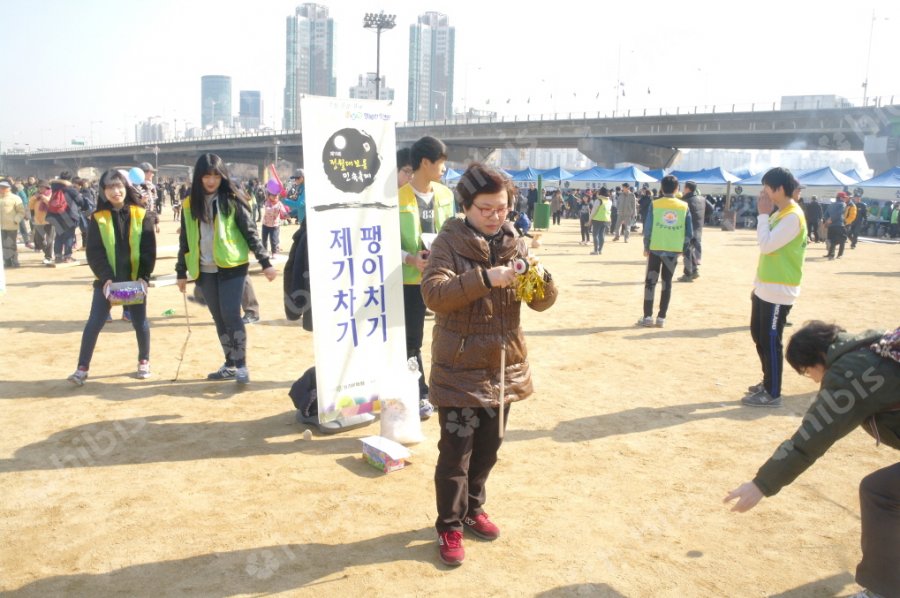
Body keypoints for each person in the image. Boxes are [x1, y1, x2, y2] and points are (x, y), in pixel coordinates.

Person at [422, 163, 558, 567]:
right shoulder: (448, 242)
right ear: (466, 205)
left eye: (502, 208)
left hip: (503, 366)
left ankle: (473, 508)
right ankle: (448, 524)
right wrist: (487, 278)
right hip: (459, 367)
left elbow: (542, 302)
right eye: (486, 208)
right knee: (455, 453)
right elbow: (434, 293)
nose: (496, 215)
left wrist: (538, 276)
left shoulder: (516, 241)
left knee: (489, 448)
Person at [725, 321, 900, 598]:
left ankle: (884, 591)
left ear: (818, 358)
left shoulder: (851, 373)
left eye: (808, 373)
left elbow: (810, 437)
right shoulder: (873, 344)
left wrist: (761, 484)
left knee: (878, 490)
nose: (816, 381)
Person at [175, 154, 277, 385]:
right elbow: (186, 241)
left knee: (231, 315)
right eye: (206, 175)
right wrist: (181, 272)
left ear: (222, 176)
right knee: (219, 318)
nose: (211, 180)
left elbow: (250, 232)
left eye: (216, 175)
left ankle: (241, 365)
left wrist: (265, 263)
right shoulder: (189, 204)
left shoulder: (231, 200)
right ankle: (229, 363)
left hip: (232, 266)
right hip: (204, 269)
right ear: (199, 177)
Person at [67, 169, 156, 385]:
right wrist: (105, 277)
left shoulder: (141, 214)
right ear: (103, 191)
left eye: (119, 186)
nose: (115, 191)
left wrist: (144, 276)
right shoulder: (98, 218)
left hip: (134, 280)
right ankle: (81, 368)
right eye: (110, 187)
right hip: (107, 283)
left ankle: (144, 360)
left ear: (126, 188)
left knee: (140, 322)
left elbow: (148, 249)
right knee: (94, 323)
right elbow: (94, 252)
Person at [398, 135, 455, 419]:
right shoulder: (397, 199)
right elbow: (382, 245)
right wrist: (410, 259)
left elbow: (455, 235)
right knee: (412, 340)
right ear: (425, 162)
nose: (444, 168)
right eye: (441, 162)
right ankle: (419, 392)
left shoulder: (447, 195)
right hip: (409, 282)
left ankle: (444, 389)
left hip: (444, 278)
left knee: (449, 335)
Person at [743, 167, 806, 408]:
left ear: (779, 189)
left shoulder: (792, 216)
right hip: (765, 287)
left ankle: (773, 391)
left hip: (779, 291)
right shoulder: (782, 213)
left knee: (770, 340)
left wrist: (762, 215)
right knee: (759, 336)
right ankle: (767, 380)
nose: (763, 193)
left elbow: (767, 245)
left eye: (767, 188)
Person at [637, 175, 692, 328]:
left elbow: (647, 229)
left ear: (661, 188)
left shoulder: (655, 204)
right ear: (677, 189)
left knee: (650, 283)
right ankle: (661, 317)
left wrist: (646, 246)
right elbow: (689, 232)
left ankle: (647, 317)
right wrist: (683, 248)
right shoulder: (684, 206)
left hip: (656, 248)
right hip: (673, 251)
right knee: (667, 283)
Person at [47, 171, 82, 263]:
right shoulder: (70, 189)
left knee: (59, 235)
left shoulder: (54, 188)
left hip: (55, 215)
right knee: (69, 236)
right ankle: (67, 257)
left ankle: (58, 256)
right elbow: (80, 201)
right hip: (68, 215)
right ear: (69, 179)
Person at [678, 181, 705, 282]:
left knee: (687, 252)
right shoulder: (702, 199)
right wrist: (700, 218)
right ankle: (694, 271)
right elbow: (710, 209)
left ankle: (688, 274)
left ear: (688, 188)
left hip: (688, 229)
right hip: (698, 228)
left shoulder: (685, 200)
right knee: (690, 251)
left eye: (684, 187)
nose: (683, 189)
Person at [0, 180, 25, 267]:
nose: (1, 189)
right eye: (1, 187)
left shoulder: (15, 198)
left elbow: (21, 211)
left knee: (11, 244)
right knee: (3, 245)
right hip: (1, 227)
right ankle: (7, 262)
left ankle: (15, 261)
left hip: (11, 226)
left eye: (3, 187)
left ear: (8, 189)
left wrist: (16, 220)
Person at [825, 192, 849, 259]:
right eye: (844, 197)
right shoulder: (843, 204)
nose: (845, 199)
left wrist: (828, 221)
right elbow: (839, 214)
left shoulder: (831, 205)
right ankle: (840, 255)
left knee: (833, 240)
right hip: (839, 224)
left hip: (831, 226)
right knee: (843, 239)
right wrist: (832, 219)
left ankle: (831, 254)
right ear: (841, 198)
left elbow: (825, 214)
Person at [589, 187, 612, 255]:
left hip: (597, 219)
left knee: (595, 235)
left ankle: (596, 251)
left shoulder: (598, 200)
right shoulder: (609, 201)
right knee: (602, 235)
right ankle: (600, 250)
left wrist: (590, 219)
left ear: (600, 193)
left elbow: (593, 211)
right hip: (606, 220)